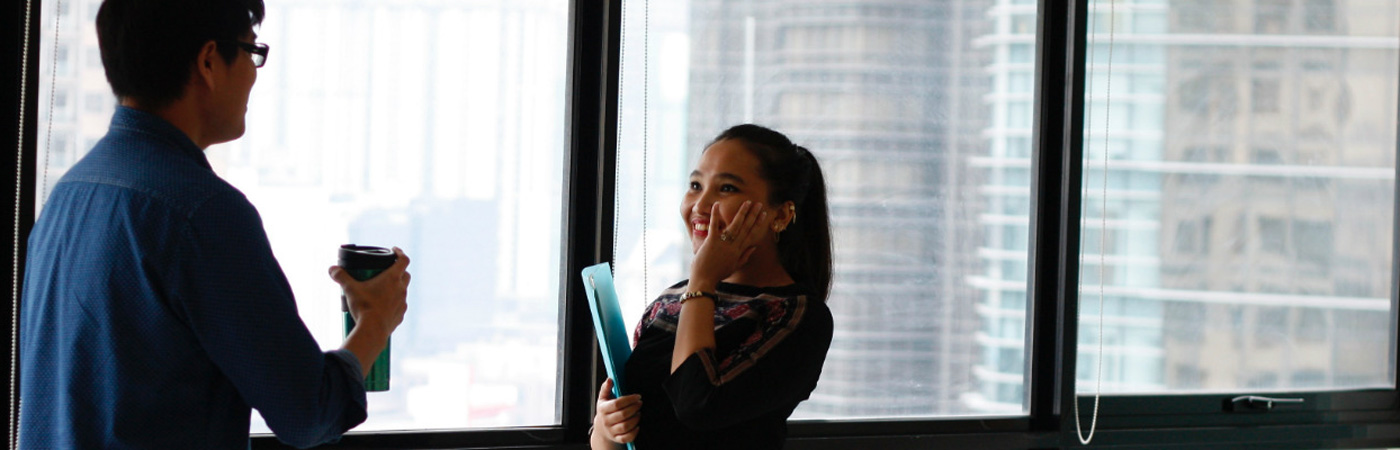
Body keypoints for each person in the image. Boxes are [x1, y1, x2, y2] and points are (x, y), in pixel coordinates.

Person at [18, 0, 410, 448]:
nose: (254, 72)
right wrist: (375, 322)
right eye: (250, 51)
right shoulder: (200, 213)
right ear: (208, 62)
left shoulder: (70, 193)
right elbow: (308, 411)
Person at [591, 124, 835, 450]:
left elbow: (698, 405)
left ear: (781, 215)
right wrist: (607, 431)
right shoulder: (671, 301)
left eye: (727, 189)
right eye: (695, 185)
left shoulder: (797, 314)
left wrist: (703, 280)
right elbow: (629, 429)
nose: (700, 205)